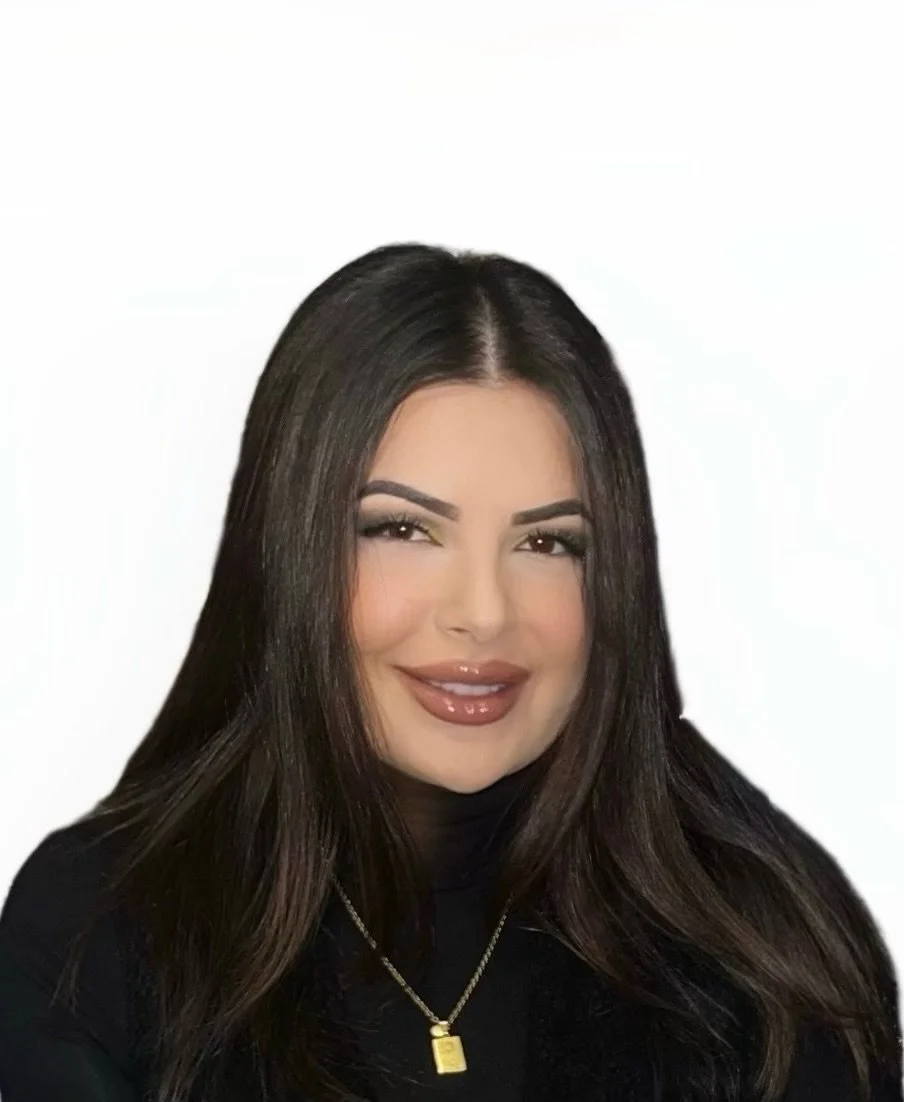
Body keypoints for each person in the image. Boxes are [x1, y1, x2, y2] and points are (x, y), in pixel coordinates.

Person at [0, 243, 900, 1102]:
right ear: (289, 550)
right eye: (402, 530)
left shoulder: (762, 941)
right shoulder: (97, 931)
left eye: (547, 542)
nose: (485, 610)